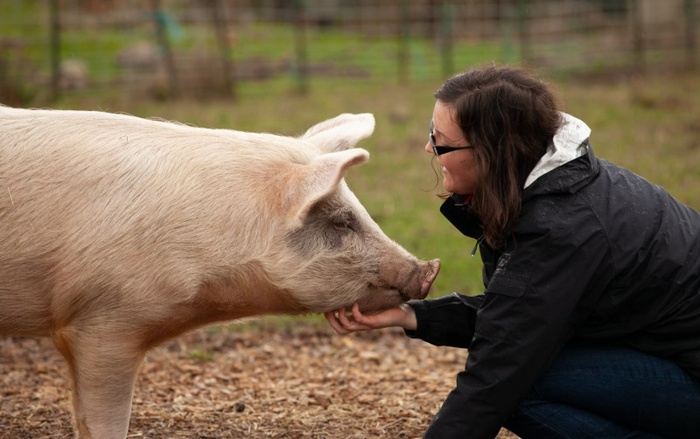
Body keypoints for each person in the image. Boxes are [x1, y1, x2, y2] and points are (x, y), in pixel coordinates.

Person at [325, 66, 700, 439]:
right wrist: (410, 317)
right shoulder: (556, 186)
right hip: (662, 351)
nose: (429, 148)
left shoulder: (561, 227)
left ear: (490, 152)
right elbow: (524, 313)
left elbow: (501, 366)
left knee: (519, 386)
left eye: (441, 140)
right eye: (430, 133)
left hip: (688, 374)